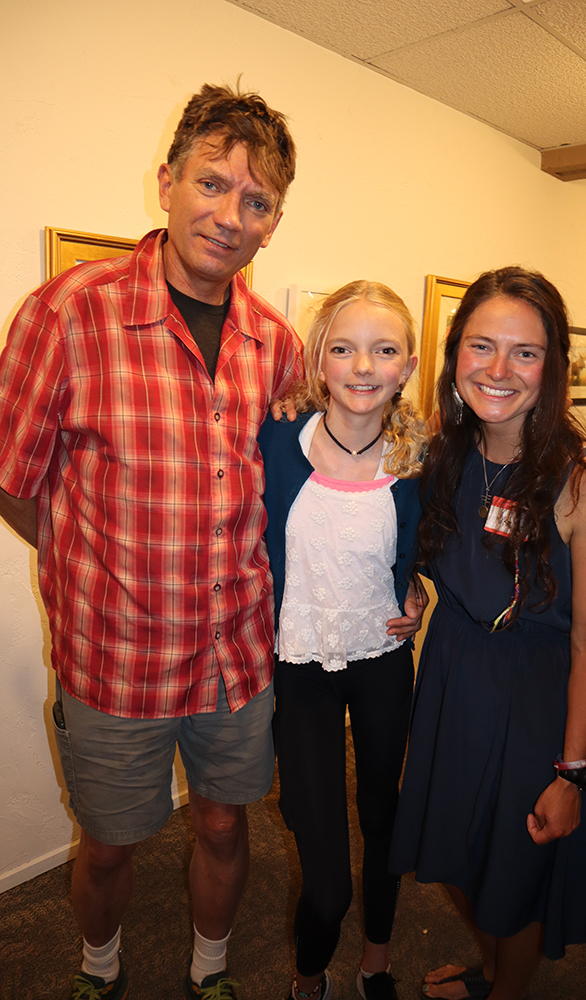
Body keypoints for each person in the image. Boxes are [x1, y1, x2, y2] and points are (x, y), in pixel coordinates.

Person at [0, 83, 301, 1000]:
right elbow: (13, 477)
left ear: (272, 221)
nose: (228, 215)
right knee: (108, 843)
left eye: (254, 202)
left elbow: (285, 495)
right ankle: (99, 968)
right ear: (166, 182)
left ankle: (209, 970)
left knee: (221, 824)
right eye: (211, 184)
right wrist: (88, 561)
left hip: (237, 654)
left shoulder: (278, 346)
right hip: (114, 659)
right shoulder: (68, 312)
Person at [389, 267, 586, 1000]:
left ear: (553, 367)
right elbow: (431, 547)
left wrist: (571, 774)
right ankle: (490, 970)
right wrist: (413, 589)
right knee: (456, 855)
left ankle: (507, 990)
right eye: (480, 346)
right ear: (454, 352)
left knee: (515, 873)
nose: (497, 370)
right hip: (450, 681)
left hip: (529, 704)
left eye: (523, 353)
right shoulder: (446, 451)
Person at [258, 281, 429, 1000]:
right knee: (325, 877)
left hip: (383, 661)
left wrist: (415, 587)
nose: (363, 366)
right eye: (343, 348)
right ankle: (307, 975)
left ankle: (375, 961)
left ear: (407, 365)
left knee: (383, 822)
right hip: (301, 668)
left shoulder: (420, 459)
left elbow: (421, 548)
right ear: (318, 362)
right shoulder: (276, 440)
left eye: (383, 350)